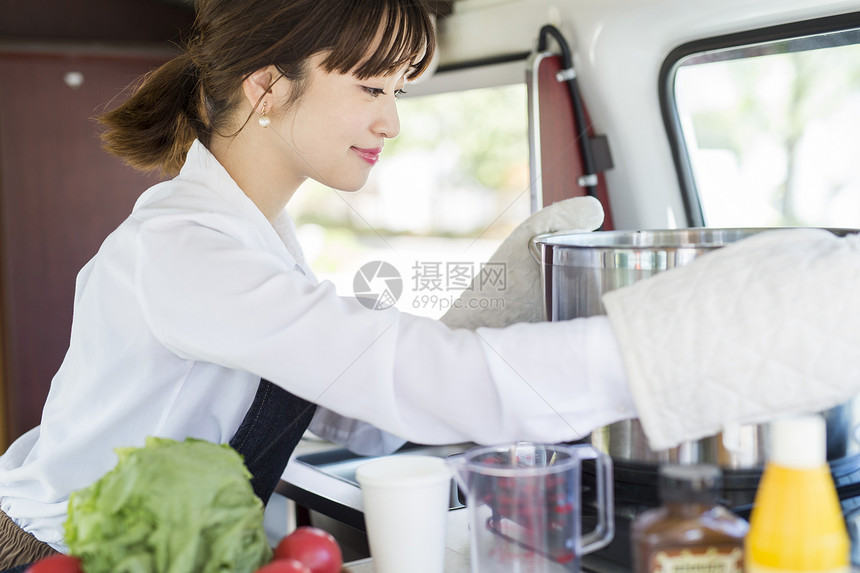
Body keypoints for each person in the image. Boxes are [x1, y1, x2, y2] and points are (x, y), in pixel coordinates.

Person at [3, 0, 860, 568]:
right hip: (50, 552)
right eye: (373, 85)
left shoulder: (255, 231)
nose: (393, 120)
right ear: (268, 85)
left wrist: (482, 314)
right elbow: (410, 382)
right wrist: (700, 346)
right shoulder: (185, 244)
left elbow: (354, 401)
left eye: (402, 90)